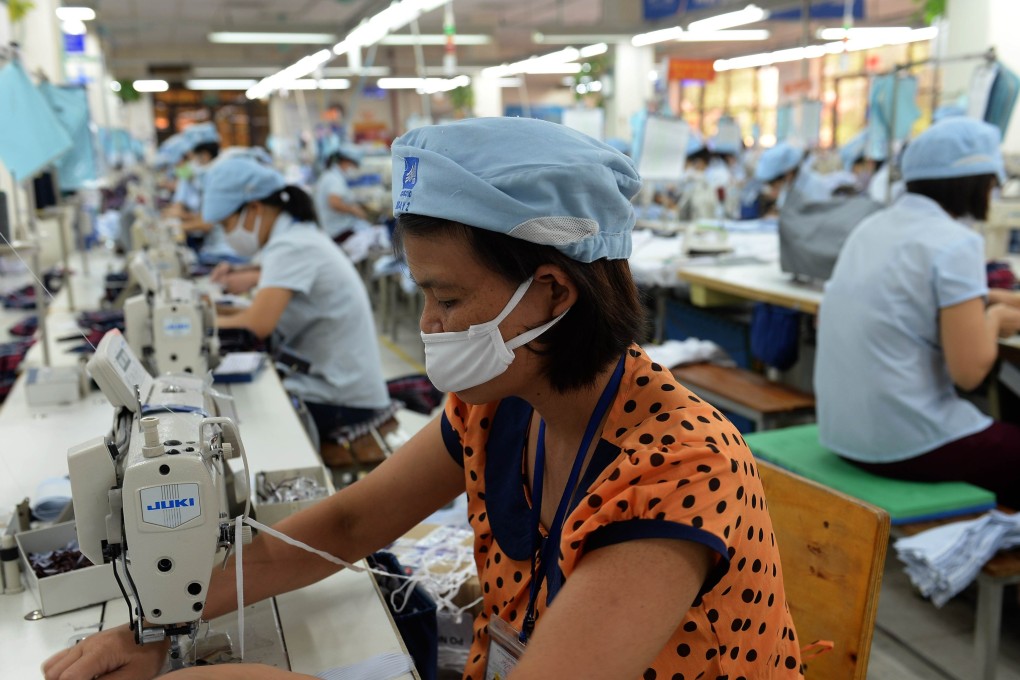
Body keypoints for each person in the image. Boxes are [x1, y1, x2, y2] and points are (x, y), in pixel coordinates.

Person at [42, 117, 802, 680]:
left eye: (444, 297)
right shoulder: (500, 401)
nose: (428, 326)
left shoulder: (677, 471)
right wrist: (161, 620)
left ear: (551, 294)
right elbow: (347, 520)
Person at [815, 117, 1020, 506]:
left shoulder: (872, 227)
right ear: (976, 183)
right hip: (905, 443)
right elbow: (970, 373)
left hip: (842, 433)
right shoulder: (956, 242)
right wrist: (994, 319)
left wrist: (985, 298)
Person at [201, 156, 390, 451]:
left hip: (343, 399)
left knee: (242, 417)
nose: (227, 236)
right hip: (335, 384)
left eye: (226, 225)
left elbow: (256, 324)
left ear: (253, 209)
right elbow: (256, 311)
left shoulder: (291, 245)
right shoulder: (293, 236)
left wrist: (191, 326)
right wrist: (210, 311)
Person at [314, 146, 372, 245]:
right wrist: (354, 210)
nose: (354, 169)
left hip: (335, 227)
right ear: (345, 161)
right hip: (338, 230)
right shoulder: (333, 179)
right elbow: (334, 202)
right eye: (354, 165)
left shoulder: (332, 176)